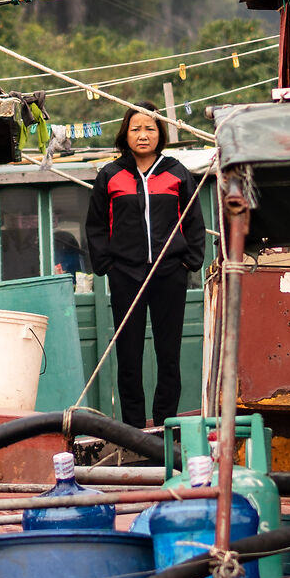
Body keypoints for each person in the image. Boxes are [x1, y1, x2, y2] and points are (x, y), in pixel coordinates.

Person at [83, 102, 205, 429]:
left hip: (169, 275)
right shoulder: (110, 175)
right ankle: (133, 428)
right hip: (126, 275)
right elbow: (95, 224)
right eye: (136, 128)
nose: (143, 135)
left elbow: (193, 220)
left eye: (150, 128)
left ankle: (166, 424)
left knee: (168, 355)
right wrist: (107, 264)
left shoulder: (176, 172)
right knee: (129, 356)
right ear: (126, 133)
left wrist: (189, 261)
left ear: (160, 132)